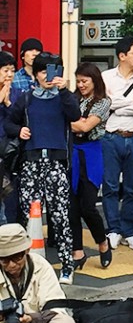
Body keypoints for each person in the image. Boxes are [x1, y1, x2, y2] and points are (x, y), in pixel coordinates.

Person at [5, 53, 80, 285]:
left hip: (56, 162)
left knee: (60, 216)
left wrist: (65, 90)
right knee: (29, 217)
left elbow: (75, 115)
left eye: (54, 70)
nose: (49, 76)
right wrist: (19, 131)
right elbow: (9, 122)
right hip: (30, 161)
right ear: (36, 74)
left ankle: (67, 266)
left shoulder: (64, 98)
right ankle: (27, 267)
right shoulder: (26, 98)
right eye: (44, 71)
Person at [102, 37, 133, 252]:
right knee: (110, 186)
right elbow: (105, 104)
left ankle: (129, 231)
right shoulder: (105, 77)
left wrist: (118, 103)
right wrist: (128, 103)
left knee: (132, 188)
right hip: (111, 136)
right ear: (122, 56)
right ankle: (113, 229)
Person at [0, 223, 76, 323]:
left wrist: (30, 318)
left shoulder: (40, 265)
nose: (11, 265)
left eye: (17, 257)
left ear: (26, 251)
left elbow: (55, 307)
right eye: (4, 260)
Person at [69, 63, 112, 270]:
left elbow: (86, 126)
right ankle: (77, 251)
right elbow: (77, 123)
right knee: (71, 207)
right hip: (72, 152)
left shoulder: (103, 102)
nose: (81, 85)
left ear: (95, 81)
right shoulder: (73, 98)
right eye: (78, 81)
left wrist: (66, 121)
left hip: (91, 153)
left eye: (84, 81)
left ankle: (103, 242)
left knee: (88, 206)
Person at [0, 51, 21, 225]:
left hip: (11, 150)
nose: (9, 75)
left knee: (10, 192)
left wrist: (8, 103)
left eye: (12, 70)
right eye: (5, 70)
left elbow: (20, 117)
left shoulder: (18, 93)